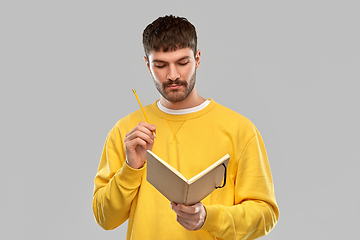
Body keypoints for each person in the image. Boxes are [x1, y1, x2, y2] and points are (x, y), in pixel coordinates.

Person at [92, 15, 279, 240]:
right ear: (147, 65)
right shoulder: (126, 131)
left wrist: (208, 218)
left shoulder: (240, 130)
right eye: (160, 65)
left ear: (197, 59)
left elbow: (265, 215)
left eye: (182, 63)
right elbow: (105, 219)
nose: (173, 75)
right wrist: (131, 169)